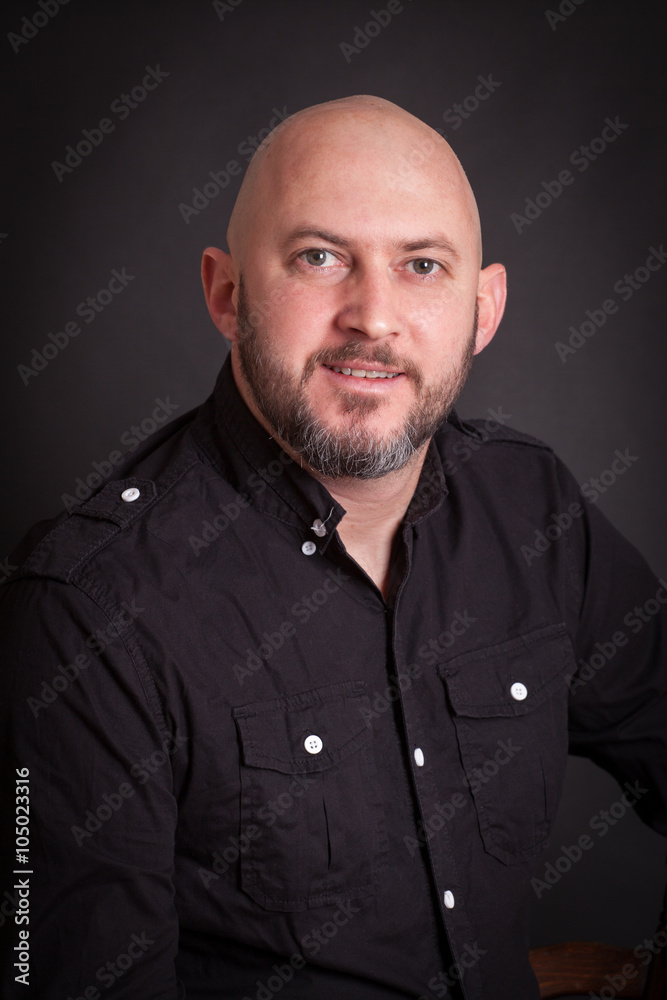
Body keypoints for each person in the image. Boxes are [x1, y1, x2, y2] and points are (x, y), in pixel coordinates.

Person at [0, 95, 665, 1000]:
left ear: (483, 308)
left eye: (421, 266)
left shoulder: (528, 505)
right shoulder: (90, 609)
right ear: (226, 293)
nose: (373, 317)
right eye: (320, 258)